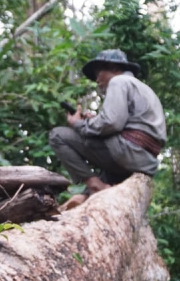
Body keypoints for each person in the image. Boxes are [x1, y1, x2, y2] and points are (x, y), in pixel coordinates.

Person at [49, 49, 164, 209]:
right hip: (145, 160)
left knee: (58, 135)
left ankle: (95, 186)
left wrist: (78, 124)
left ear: (114, 68)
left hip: (128, 151)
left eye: (98, 73)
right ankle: (83, 196)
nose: (96, 80)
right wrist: (94, 121)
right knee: (104, 154)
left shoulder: (118, 81)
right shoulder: (142, 88)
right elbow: (122, 123)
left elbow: (112, 123)